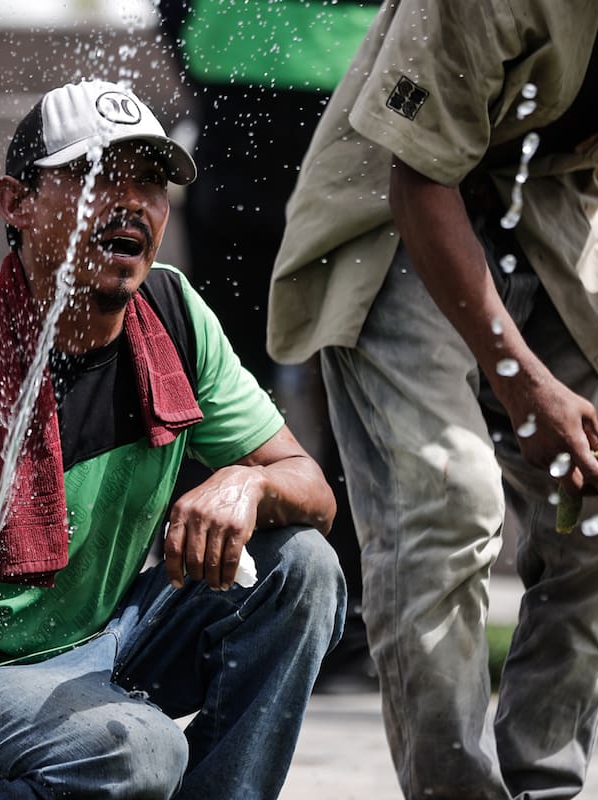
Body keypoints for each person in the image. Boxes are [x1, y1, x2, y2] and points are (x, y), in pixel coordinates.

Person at [0, 79, 344, 798]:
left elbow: (312, 490)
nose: (130, 201)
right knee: (141, 753)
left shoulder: (175, 316)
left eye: (151, 181)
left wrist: (245, 480)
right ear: (15, 204)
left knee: (303, 569)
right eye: (95, 177)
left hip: (96, 641)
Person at [267, 0, 598, 797]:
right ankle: (453, 790)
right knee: (446, 500)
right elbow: (419, 178)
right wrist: (521, 383)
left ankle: (542, 785)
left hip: (560, 206)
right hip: (396, 199)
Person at [156, 0, 381, 690]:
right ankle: (227, 601)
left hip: (318, 88)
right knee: (232, 374)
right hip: (290, 83)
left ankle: (333, 614)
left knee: (335, 371)